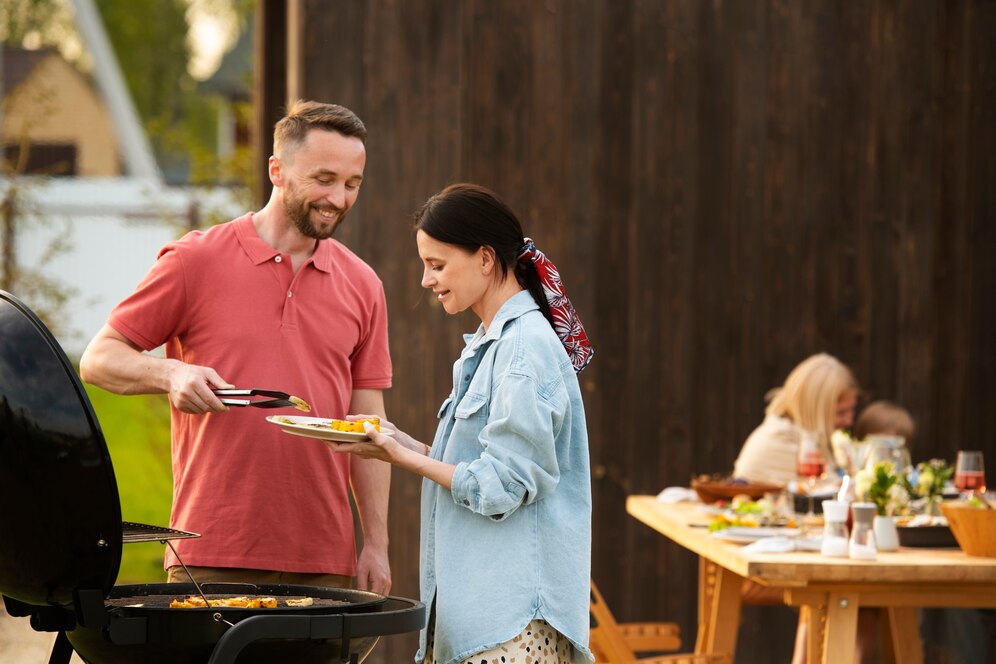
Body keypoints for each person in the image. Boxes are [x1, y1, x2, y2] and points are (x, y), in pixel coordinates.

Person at [78, 100, 392, 593]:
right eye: (324, 179)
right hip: (214, 550)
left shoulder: (363, 284)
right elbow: (98, 359)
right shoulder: (195, 260)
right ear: (277, 170)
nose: (339, 198)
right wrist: (171, 374)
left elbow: (367, 425)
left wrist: (375, 542)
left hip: (327, 558)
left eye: (353, 184)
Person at [326, 183, 595, 664]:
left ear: (486, 259)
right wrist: (393, 440)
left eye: (438, 264)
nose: (426, 280)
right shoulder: (492, 341)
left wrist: (402, 458)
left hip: (510, 627)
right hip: (481, 621)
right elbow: (479, 466)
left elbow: (502, 485)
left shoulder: (523, 349)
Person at [733, 352, 858, 485]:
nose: (849, 421)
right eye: (840, 413)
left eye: (852, 410)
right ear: (813, 409)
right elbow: (837, 495)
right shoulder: (782, 441)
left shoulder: (800, 437)